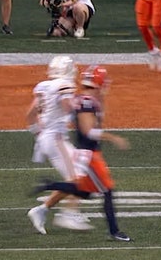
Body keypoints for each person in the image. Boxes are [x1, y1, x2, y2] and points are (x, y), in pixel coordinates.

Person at [34, 65, 133, 243]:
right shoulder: (86, 102)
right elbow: (89, 132)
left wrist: (102, 96)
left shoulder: (85, 99)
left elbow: (94, 117)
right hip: (89, 155)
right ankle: (114, 231)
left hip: (87, 153)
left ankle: (49, 185)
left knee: (85, 192)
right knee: (107, 191)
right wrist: (113, 138)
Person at [25, 55, 93, 234]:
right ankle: (67, 214)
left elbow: (30, 114)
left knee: (80, 173)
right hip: (56, 139)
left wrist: (38, 133)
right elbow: (67, 106)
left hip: (49, 138)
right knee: (77, 177)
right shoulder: (64, 85)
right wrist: (83, 106)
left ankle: (44, 210)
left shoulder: (44, 86)